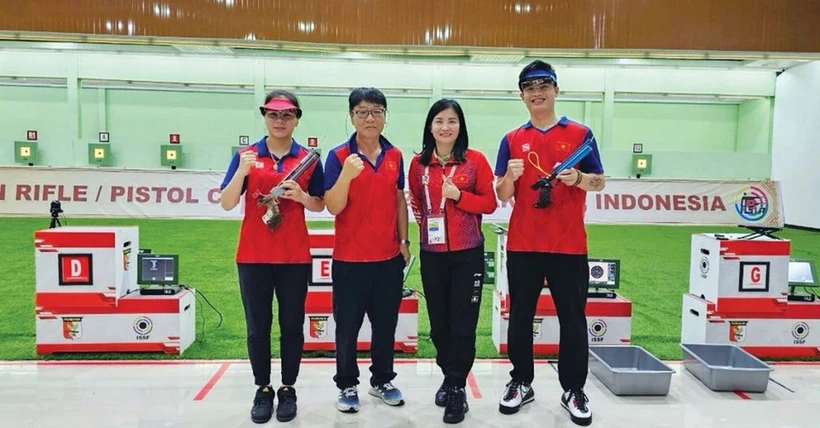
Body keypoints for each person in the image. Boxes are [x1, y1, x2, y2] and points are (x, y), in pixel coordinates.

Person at [494, 60, 606, 426]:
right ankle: (520, 381)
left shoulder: (581, 134)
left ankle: (573, 388)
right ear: (521, 95)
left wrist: (579, 179)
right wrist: (509, 177)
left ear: (556, 90)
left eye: (543, 84)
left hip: (568, 245)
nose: (536, 91)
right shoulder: (511, 139)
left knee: (573, 319)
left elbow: (599, 182)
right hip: (524, 244)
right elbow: (501, 194)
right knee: (520, 317)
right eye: (529, 86)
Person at [219, 90, 325, 424]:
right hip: (252, 256)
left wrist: (303, 197)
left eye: (287, 115)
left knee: (292, 326)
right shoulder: (246, 155)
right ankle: (263, 388)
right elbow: (226, 202)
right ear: (264, 116)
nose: (280, 121)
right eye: (274, 115)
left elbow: (320, 203)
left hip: (294, 256)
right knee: (257, 328)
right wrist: (241, 170)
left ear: (296, 118)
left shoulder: (308, 159)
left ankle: (288, 388)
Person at [407, 98, 497, 424]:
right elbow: (416, 203)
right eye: (439, 121)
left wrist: (459, 197)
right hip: (433, 256)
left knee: (463, 323)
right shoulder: (418, 164)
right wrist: (429, 231)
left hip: (467, 254)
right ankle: (449, 373)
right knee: (439, 324)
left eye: (452, 121)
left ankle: (457, 386)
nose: (446, 127)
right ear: (430, 127)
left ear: (460, 126)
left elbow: (489, 203)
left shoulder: (475, 161)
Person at [323, 87, 410, 413]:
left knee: (385, 325)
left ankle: (382, 380)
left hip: (387, 259)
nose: (369, 118)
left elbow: (399, 200)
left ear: (385, 117)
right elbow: (332, 205)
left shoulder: (396, 155)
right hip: (349, 260)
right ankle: (347, 384)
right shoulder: (337, 156)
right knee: (347, 328)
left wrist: (403, 241)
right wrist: (346, 175)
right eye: (362, 112)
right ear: (351, 117)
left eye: (376, 111)